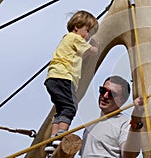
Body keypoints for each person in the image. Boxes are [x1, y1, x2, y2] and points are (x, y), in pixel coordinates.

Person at [44, 10, 99, 153]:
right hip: (64, 77)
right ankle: (61, 136)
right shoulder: (75, 38)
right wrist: (95, 44)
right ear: (77, 27)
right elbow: (92, 51)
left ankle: (51, 141)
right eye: (88, 32)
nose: (88, 37)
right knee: (70, 108)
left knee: (60, 111)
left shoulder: (67, 39)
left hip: (53, 78)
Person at [79, 75, 144, 158]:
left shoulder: (125, 124)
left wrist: (136, 121)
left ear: (122, 100)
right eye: (103, 90)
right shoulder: (90, 125)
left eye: (112, 94)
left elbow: (129, 155)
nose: (105, 96)